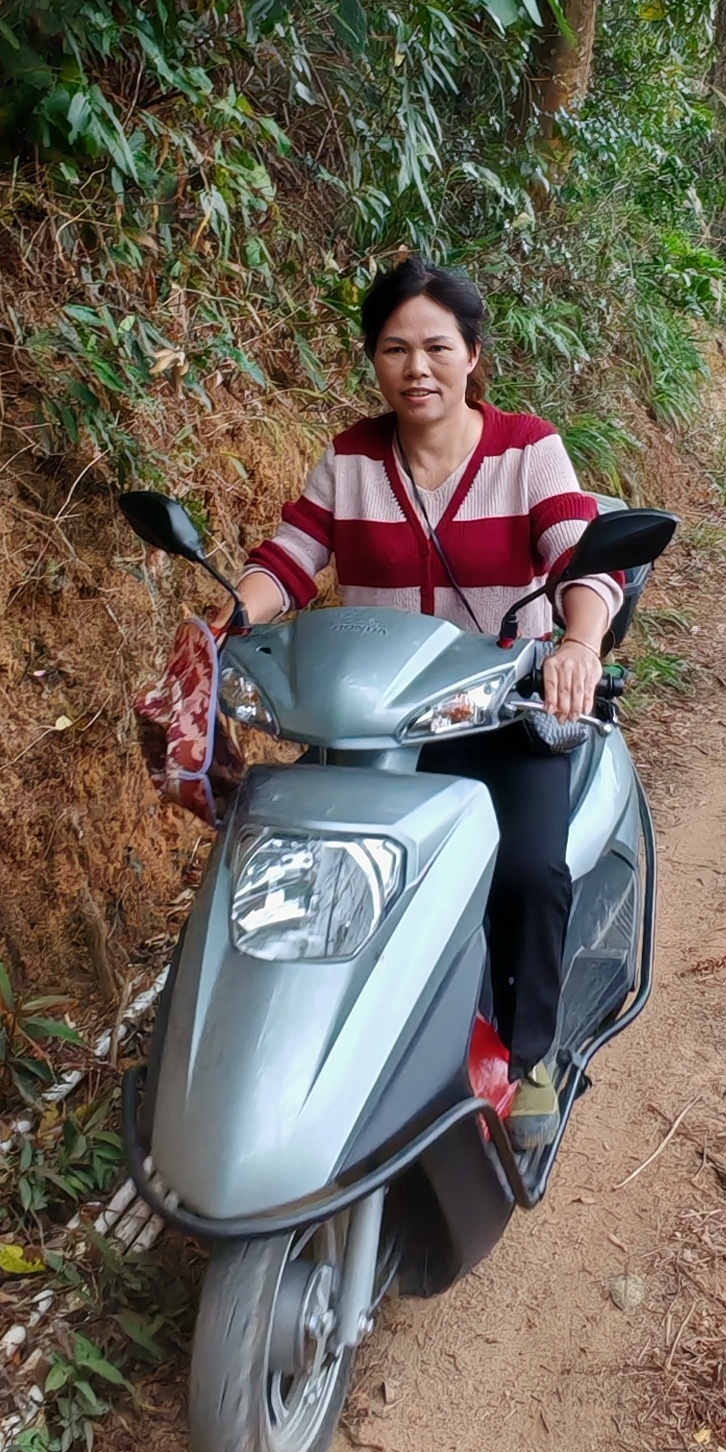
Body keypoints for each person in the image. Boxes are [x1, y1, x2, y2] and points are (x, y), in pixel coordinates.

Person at [234, 258, 622, 1139]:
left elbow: (585, 559)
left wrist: (578, 643)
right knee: (302, 872)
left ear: (473, 354)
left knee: (528, 870)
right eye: (394, 349)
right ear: (373, 360)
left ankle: (530, 1061)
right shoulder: (352, 457)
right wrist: (228, 613)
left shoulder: (527, 448)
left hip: (500, 714)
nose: (417, 368)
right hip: (371, 729)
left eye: (437, 347)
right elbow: (291, 558)